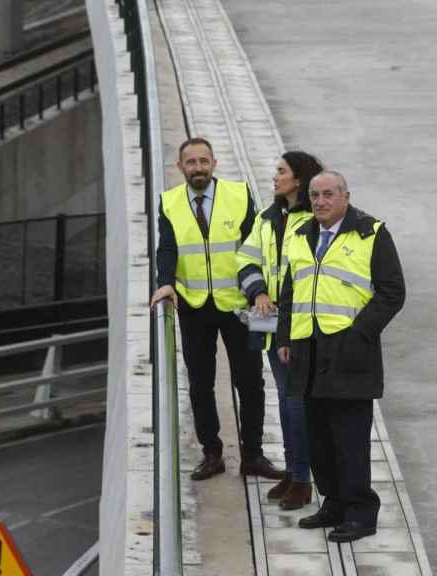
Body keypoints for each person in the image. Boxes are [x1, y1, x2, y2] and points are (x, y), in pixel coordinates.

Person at [277, 170, 405, 543]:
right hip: (307, 352)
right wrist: (285, 336)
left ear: (345, 197)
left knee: (350, 441)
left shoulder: (371, 233)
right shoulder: (303, 235)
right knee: (319, 439)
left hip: (350, 354)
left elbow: (392, 292)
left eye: (328, 194)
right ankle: (333, 502)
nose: (320, 202)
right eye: (315, 195)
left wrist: (359, 335)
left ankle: (361, 512)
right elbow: (290, 291)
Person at [151, 137, 285, 481]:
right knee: (199, 383)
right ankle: (212, 454)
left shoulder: (239, 194)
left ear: (214, 163)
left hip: (244, 305)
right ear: (180, 167)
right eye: (191, 162)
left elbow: (256, 248)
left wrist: (260, 293)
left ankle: (253, 455)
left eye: (203, 161)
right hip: (194, 306)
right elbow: (167, 248)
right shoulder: (168, 202)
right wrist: (165, 281)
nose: (198, 168)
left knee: (252, 382)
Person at [236, 151, 322, 509]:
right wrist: (258, 292)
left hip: (299, 325)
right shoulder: (268, 217)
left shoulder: (314, 219)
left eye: (281, 171)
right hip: (270, 323)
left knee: (295, 400)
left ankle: (302, 477)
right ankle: (293, 471)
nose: (275, 177)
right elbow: (246, 257)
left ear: (298, 179)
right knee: (286, 400)